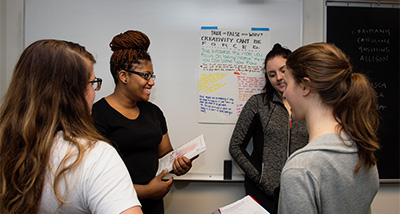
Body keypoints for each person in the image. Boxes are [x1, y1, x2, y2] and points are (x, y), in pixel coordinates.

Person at [0, 40, 142, 214]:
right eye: (92, 83)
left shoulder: (6, 147)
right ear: (73, 94)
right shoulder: (95, 157)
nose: (94, 92)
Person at [91, 30, 193, 214]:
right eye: (146, 76)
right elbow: (96, 178)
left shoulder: (153, 112)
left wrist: (179, 164)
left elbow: (165, 154)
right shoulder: (98, 115)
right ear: (123, 76)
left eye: (152, 76)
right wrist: (146, 191)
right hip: (117, 206)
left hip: (154, 206)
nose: (151, 82)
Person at [279, 43, 380, 213]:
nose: (284, 94)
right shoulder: (363, 151)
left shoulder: (301, 169)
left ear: (305, 87)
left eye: (287, 83)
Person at [229, 43, 308, 213]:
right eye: (272, 74)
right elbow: (235, 146)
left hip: (300, 191)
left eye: (283, 70)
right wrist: (259, 178)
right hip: (262, 194)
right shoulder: (257, 104)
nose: (278, 77)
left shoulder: (308, 104)